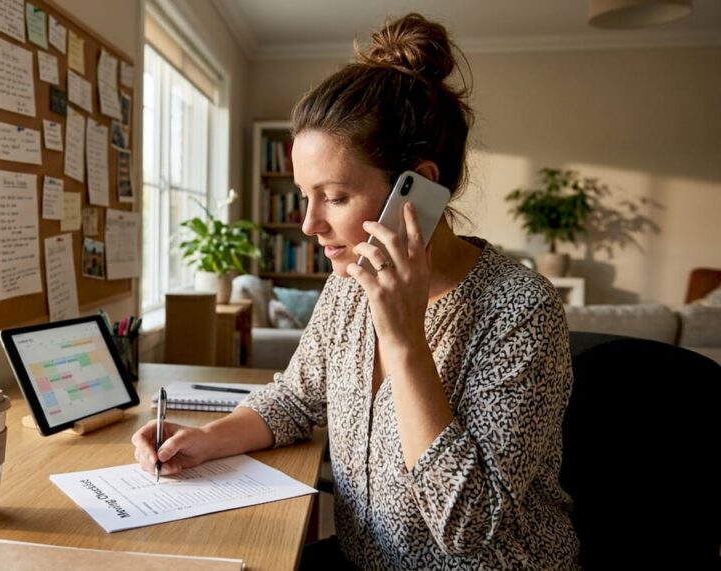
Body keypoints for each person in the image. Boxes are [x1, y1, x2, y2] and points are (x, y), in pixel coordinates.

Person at [132, 13, 579, 569]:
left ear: (418, 189)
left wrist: (404, 339)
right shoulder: (348, 288)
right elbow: (295, 398)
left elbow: (468, 522)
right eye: (305, 195)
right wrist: (207, 438)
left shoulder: (520, 309)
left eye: (335, 197)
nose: (309, 224)